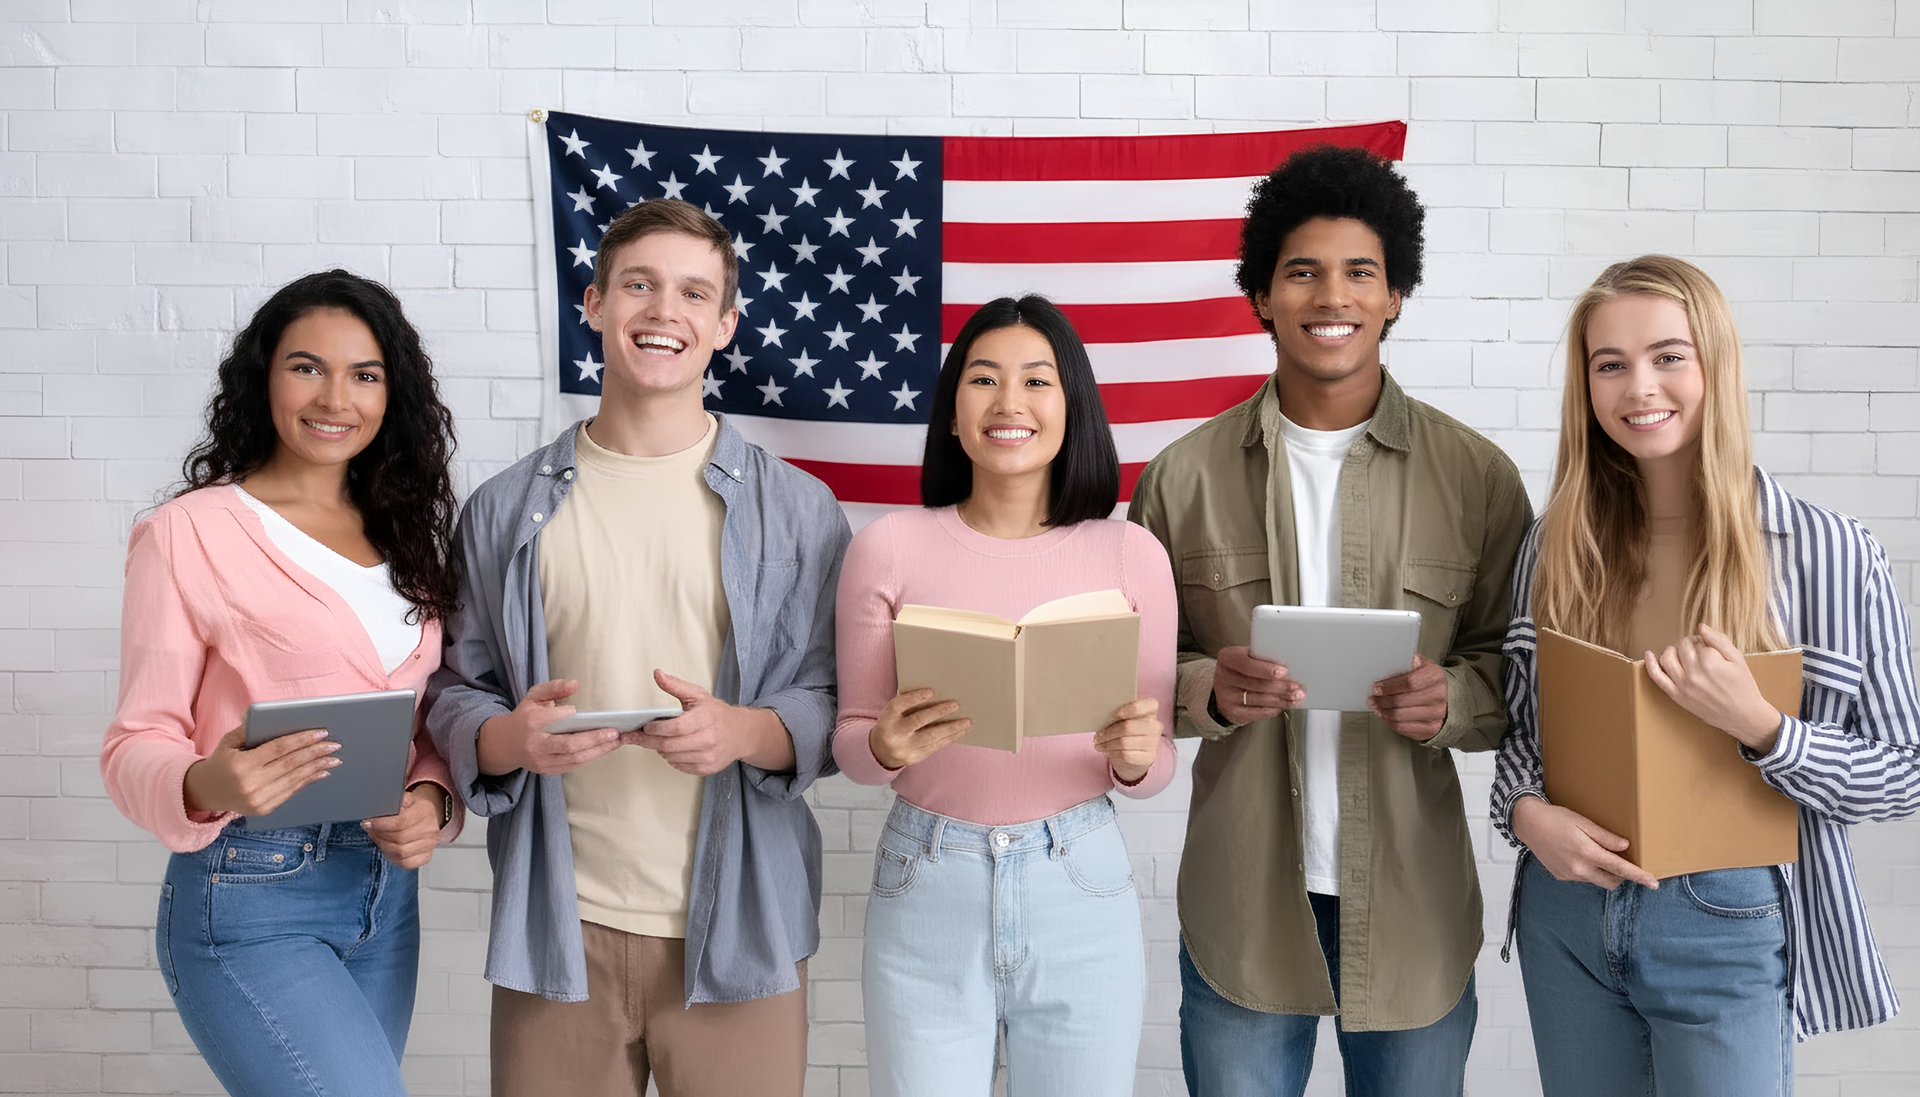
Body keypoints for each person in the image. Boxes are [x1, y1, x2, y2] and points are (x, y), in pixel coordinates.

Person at [1129, 145, 1532, 1097]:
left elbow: (1516, 673)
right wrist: (1205, 688)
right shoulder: (1182, 478)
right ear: (1262, 295)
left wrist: (1455, 699)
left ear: (1396, 294)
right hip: (1244, 900)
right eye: (1302, 271)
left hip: (1414, 903)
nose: (1331, 295)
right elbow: (1126, 673)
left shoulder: (1476, 478)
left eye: (1361, 271)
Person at [425, 198, 850, 1097]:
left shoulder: (801, 509)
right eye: (640, 286)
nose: (665, 312)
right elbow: (460, 689)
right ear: (593, 303)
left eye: (695, 293)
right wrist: (512, 740)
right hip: (558, 928)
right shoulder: (503, 510)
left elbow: (829, 696)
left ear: (726, 324)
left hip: (744, 928)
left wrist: (744, 731)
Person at [1490, 254, 1920, 1096]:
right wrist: (1527, 813)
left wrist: (1766, 728)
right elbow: (1521, 739)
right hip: (1567, 914)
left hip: (1731, 915)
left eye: (1668, 355)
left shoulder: (1829, 553)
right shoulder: (1554, 546)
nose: (1638, 386)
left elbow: (1904, 772)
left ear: (1716, 364)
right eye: (1609, 364)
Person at [99, 270, 465, 1096]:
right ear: (263, 377)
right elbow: (134, 741)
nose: (336, 396)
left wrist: (434, 802)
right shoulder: (186, 534)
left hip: (384, 898)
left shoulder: (403, 534)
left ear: (390, 394)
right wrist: (205, 777)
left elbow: (418, 726)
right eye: (306, 366)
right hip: (249, 892)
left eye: (364, 374)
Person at [832, 295, 1176, 1097]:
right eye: (983, 379)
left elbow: (1157, 763)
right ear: (953, 414)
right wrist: (885, 745)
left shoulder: (1132, 553)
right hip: (926, 876)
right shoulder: (888, 547)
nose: (1009, 403)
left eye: (1036, 381)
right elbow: (851, 742)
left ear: (1072, 407)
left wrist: (1134, 759)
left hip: (1081, 880)